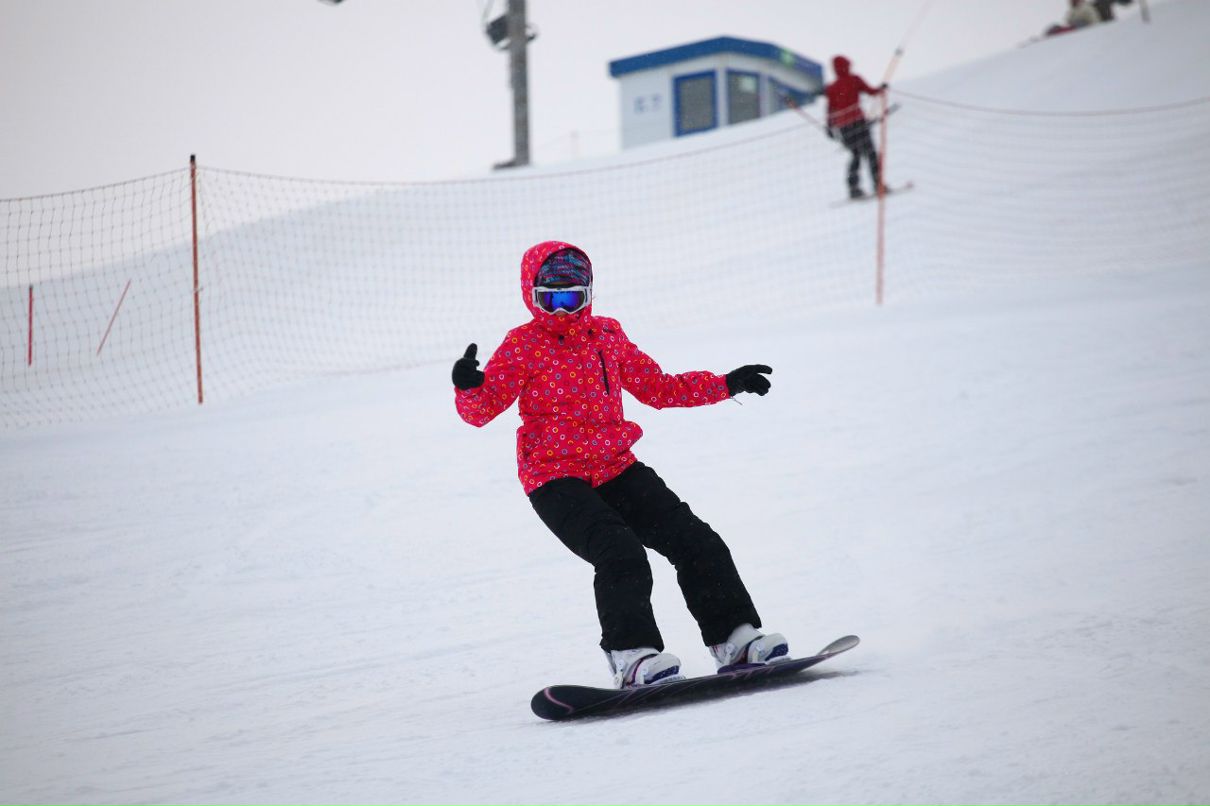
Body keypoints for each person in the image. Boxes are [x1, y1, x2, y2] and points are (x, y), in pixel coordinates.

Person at [452, 240, 788, 689]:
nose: (562, 311)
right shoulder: (522, 345)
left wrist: (726, 384)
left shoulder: (608, 336)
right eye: (549, 299)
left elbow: (659, 388)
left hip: (616, 466)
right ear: (530, 295)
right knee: (620, 553)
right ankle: (632, 656)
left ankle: (736, 639)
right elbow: (480, 411)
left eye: (572, 298)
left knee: (696, 540)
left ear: (589, 294)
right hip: (555, 478)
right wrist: (470, 387)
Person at [824, 55, 888, 200]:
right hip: (859, 123)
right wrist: (881, 89)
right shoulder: (855, 80)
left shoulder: (832, 88)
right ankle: (878, 185)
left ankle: (853, 188)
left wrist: (829, 127)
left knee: (856, 154)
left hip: (844, 127)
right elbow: (872, 92)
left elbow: (830, 110)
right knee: (870, 153)